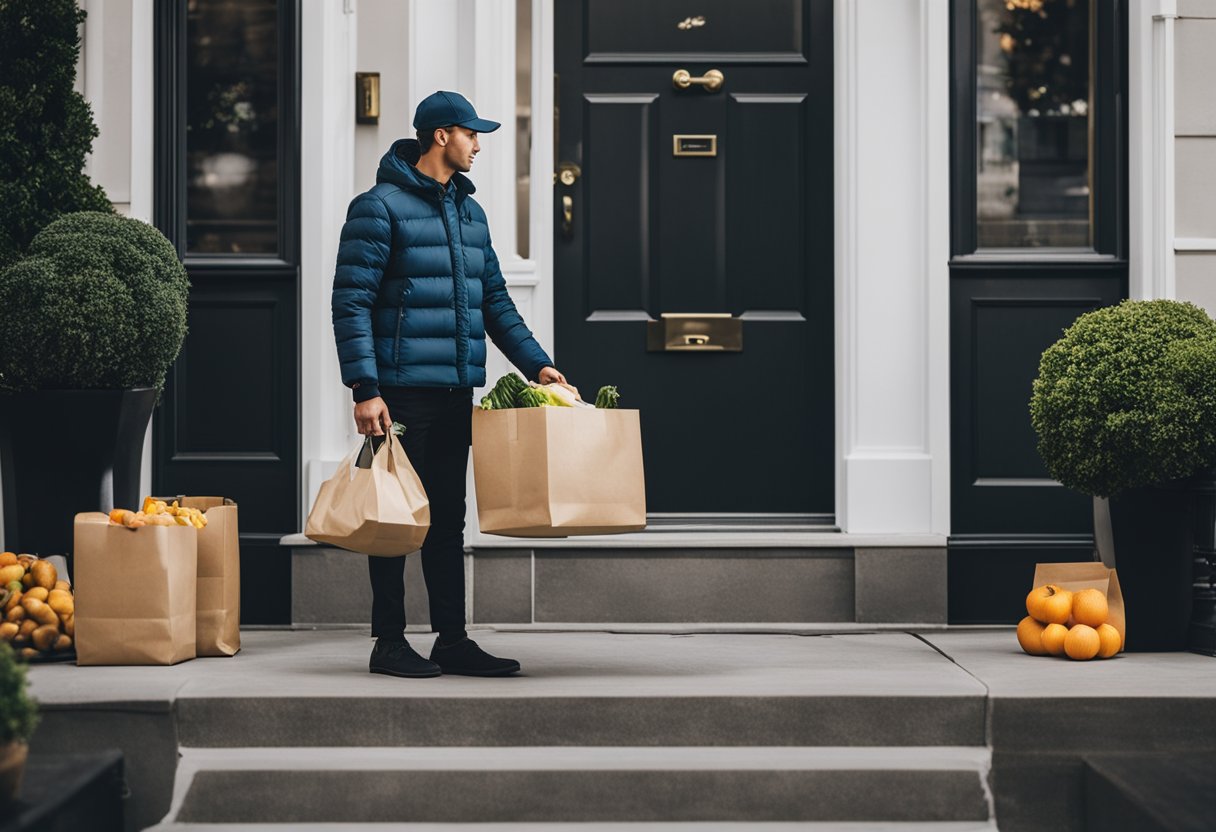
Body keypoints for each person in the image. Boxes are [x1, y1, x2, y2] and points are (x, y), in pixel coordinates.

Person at [331, 90, 566, 678]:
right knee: (392, 519)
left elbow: (494, 302)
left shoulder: (470, 213)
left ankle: (451, 639)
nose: (478, 145)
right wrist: (365, 388)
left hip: (456, 389)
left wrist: (536, 364)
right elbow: (351, 303)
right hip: (400, 392)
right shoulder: (378, 207)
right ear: (442, 136)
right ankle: (388, 641)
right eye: (471, 134)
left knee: (445, 518)